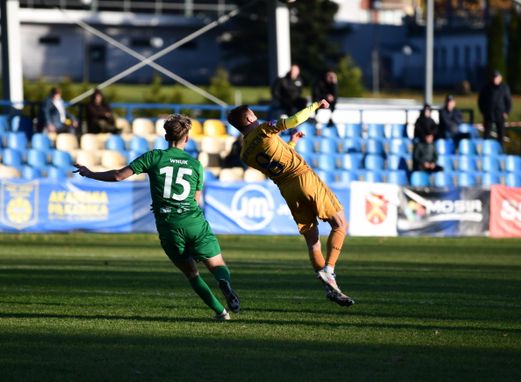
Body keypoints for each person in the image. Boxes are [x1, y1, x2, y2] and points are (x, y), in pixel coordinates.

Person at [74, 114, 240, 321]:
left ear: (166, 136)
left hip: (169, 225)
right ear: (187, 138)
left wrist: (90, 173)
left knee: (192, 274)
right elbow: (196, 200)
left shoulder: (154, 157)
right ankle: (224, 282)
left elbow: (118, 176)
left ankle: (221, 312)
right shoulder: (195, 164)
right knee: (217, 265)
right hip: (194, 222)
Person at [227, 99, 354, 307]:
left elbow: (274, 159)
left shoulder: (245, 153)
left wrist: (292, 144)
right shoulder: (264, 129)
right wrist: (315, 106)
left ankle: (331, 289)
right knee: (340, 224)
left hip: (287, 189)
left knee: (312, 239)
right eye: (253, 113)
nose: (256, 115)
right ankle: (329, 270)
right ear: (249, 118)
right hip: (303, 178)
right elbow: (294, 120)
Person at [478, 70, 512, 144]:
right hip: (489, 114)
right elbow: (481, 100)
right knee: (487, 134)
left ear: (500, 78)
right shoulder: (486, 87)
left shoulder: (504, 87)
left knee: (501, 134)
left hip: (500, 114)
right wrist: (483, 111)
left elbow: (508, 101)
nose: (494, 79)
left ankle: (500, 148)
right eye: (493, 77)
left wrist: (506, 112)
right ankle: (486, 148)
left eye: (496, 77)